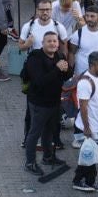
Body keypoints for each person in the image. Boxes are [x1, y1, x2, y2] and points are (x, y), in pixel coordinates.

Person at [19, 30, 70, 174]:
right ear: (42, 43)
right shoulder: (35, 58)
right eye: (49, 41)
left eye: (55, 41)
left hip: (54, 102)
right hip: (38, 103)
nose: (53, 44)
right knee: (34, 133)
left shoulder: (59, 55)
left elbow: (66, 76)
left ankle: (48, 157)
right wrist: (57, 69)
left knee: (49, 131)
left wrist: (66, 69)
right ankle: (30, 163)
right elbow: (39, 82)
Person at [71, 51, 98, 192]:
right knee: (88, 156)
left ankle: (86, 181)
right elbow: (83, 107)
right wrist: (87, 128)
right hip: (87, 127)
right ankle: (82, 181)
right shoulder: (86, 82)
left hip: (95, 126)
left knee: (90, 155)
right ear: (92, 65)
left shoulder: (97, 77)